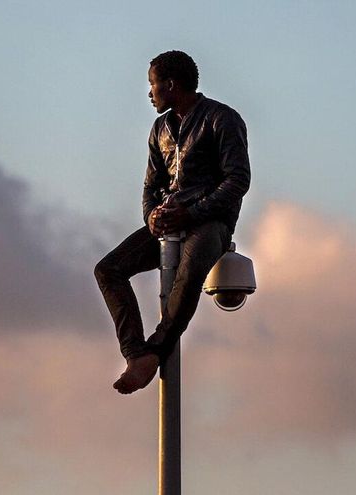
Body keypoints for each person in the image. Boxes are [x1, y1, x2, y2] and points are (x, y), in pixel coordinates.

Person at [94, 50, 251, 394]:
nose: (149, 94)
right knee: (108, 269)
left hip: (210, 222)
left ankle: (155, 351)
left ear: (170, 84)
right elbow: (151, 185)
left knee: (190, 271)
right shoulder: (159, 128)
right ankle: (136, 353)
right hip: (168, 222)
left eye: (152, 84)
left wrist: (193, 213)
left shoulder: (222, 119)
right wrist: (151, 216)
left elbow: (238, 180)